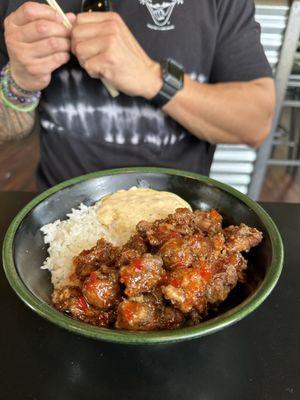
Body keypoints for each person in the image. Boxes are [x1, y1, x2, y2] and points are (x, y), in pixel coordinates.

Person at [0, 0, 275, 190]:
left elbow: (255, 123)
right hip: (60, 216)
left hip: (178, 220)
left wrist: (152, 77)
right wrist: (20, 82)